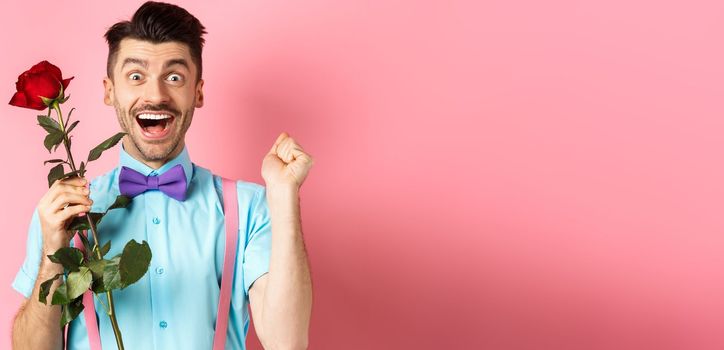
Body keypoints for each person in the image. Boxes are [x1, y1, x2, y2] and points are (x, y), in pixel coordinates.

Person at [10, 1, 313, 349]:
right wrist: (53, 254)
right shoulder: (66, 212)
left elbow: (287, 342)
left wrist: (284, 193)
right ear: (110, 91)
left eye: (174, 77)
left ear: (197, 92)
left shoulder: (251, 207)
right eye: (136, 77)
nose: (155, 95)